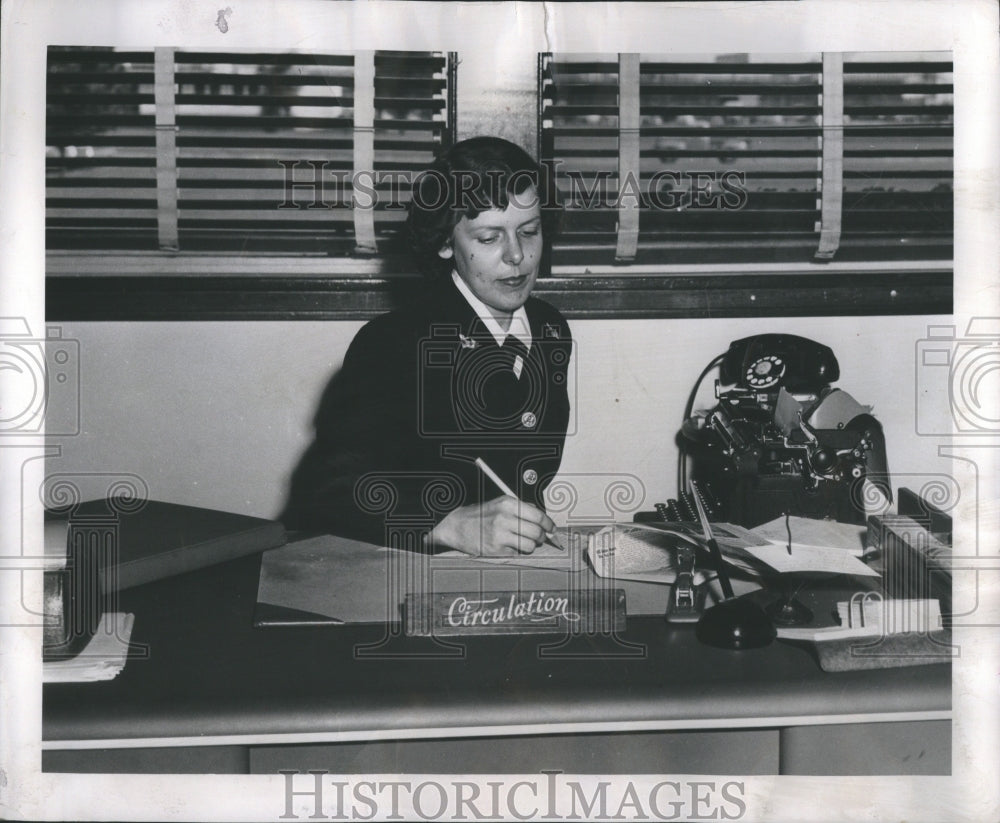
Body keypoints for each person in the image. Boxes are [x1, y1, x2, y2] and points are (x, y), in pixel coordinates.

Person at [282, 136, 572, 556]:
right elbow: (325, 493)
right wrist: (447, 524)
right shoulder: (392, 343)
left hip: (513, 568)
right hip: (413, 566)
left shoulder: (549, 328)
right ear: (444, 243)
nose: (517, 256)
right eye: (489, 238)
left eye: (529, 231)